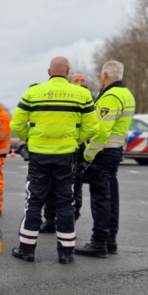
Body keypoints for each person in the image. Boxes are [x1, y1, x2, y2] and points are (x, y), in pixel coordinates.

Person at [10, 57, 98, 264]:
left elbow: (17, 124)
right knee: (65, 201)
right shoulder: (82, 94)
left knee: (34, 200)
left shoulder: (33, 92)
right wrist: (76, 139)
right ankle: (66, 253)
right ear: (67, 72)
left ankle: (27, 249)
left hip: (39, 155)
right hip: (66, 154)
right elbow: (93, 127)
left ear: (49, 71)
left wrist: (31, 139)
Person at [75, 60, 135, 258]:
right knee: (111, 198)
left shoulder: (110, 96)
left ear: (105, 75)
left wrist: (88, 155)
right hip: (114, 152)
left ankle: (98, 242)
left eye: (101, 75)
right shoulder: (126, 95)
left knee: (100, 199)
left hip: (103, 153)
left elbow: (101, 131)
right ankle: (110, 240)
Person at [40, 72, 89, 233]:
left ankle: (69, 221)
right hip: (57, 151)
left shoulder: (88, 99)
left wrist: (77, 142)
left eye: (82, 81)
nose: (79, 83)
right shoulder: (62, 98)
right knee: (50, 187)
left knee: (74, 190)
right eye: (76, 80)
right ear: (69, 82)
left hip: (77, 153)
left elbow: (91, 127)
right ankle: (49, 219)